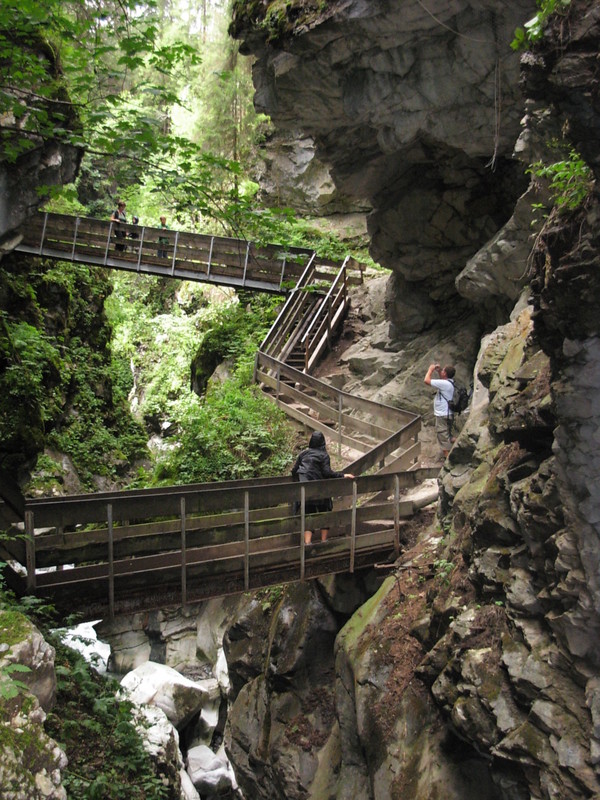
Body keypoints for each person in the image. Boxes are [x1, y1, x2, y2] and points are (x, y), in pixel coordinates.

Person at [291, 431, 354, 545]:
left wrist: (298, 482)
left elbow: (294, 471)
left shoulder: (303, 454)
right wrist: (343, 475)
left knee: (308, 514)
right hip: (320, 490)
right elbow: (327, 472)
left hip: (306, 490)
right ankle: (324, 541)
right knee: (325, 512)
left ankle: (307, 543)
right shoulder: (324, 455)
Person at [424, 362, 456, 458]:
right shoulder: (450, 382)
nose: (441, 371)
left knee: (442, 436)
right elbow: (443, 380)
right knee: (449, 436)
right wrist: (439, 371)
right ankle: (458, 443)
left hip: (442, 414)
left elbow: (426, 380)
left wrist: (430, 369)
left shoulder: (444, 384)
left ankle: (449, 459)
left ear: (445, 374)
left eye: (443, 370)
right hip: (448, 413)